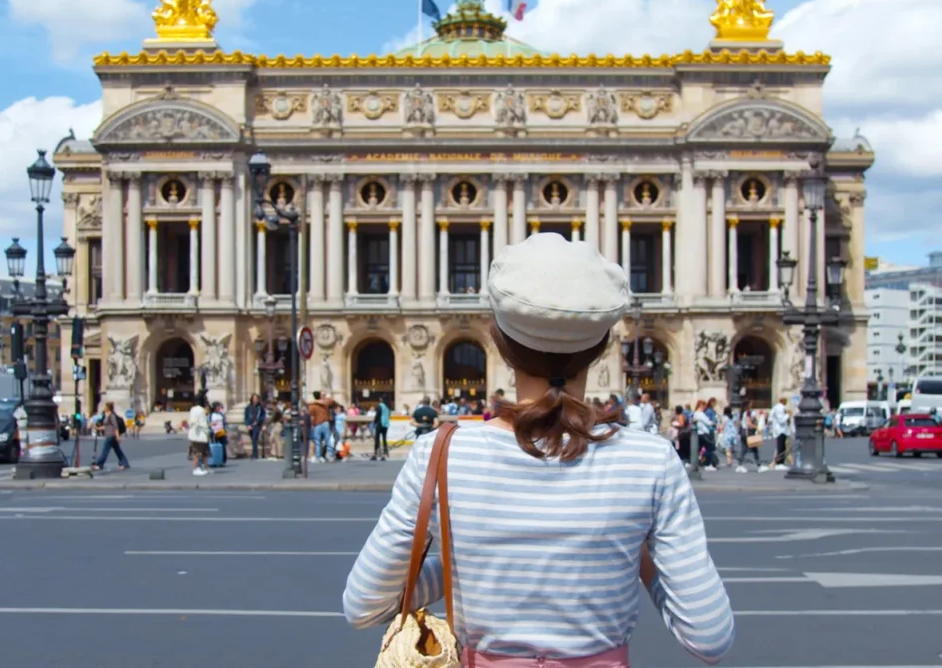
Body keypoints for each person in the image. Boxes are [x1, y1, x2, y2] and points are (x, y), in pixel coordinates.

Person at [343, 233, 734, 665]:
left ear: (502, 344)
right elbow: (709, 637)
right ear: (602, 347)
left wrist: (471, 562)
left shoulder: (442, 454)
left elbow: (365, 605)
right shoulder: (650, 463)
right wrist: (627, 552)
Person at [93, 402, 131, 471]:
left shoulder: (112, 416)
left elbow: (115, 427)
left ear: (108, 408)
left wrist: (117, 436)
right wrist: (98, 428)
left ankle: (99, 465)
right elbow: (106, 426)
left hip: (111, 435)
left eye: (105, 407)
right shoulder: (106, 415)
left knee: (105, 451)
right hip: (109, 435)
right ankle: (125, 463)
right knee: (118, 451)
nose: (103, 408)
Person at [306, 392, 337, 463]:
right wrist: (326, 396)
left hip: (317, 424)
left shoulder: (312, 405)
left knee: (317, 441)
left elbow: (312, 417)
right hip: (325, 423)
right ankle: (330, 455)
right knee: (328, 440)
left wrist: (312, 425)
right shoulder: (325, 403)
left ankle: (318, 456)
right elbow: (333, 402)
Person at [187, 398, 211, 476]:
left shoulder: (194, 410)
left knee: (203, 452)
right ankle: (196, 468)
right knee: (198, 452)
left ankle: (204, 468)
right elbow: (202, 423)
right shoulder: (200, 411)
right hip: (199, 434)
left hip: (197, 434)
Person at [244, 394, 267, 460]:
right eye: (254, 398)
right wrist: (247, 425)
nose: (255, 400)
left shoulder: (260, 407)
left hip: (257, 425)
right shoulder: (248, 407)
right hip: (250, 425)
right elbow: (246, 417)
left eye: (256, 398)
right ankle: (254, 453)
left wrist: (258, 421)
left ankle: (255, 454)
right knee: (253, 439)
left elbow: (263, 416)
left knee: (254, 438)